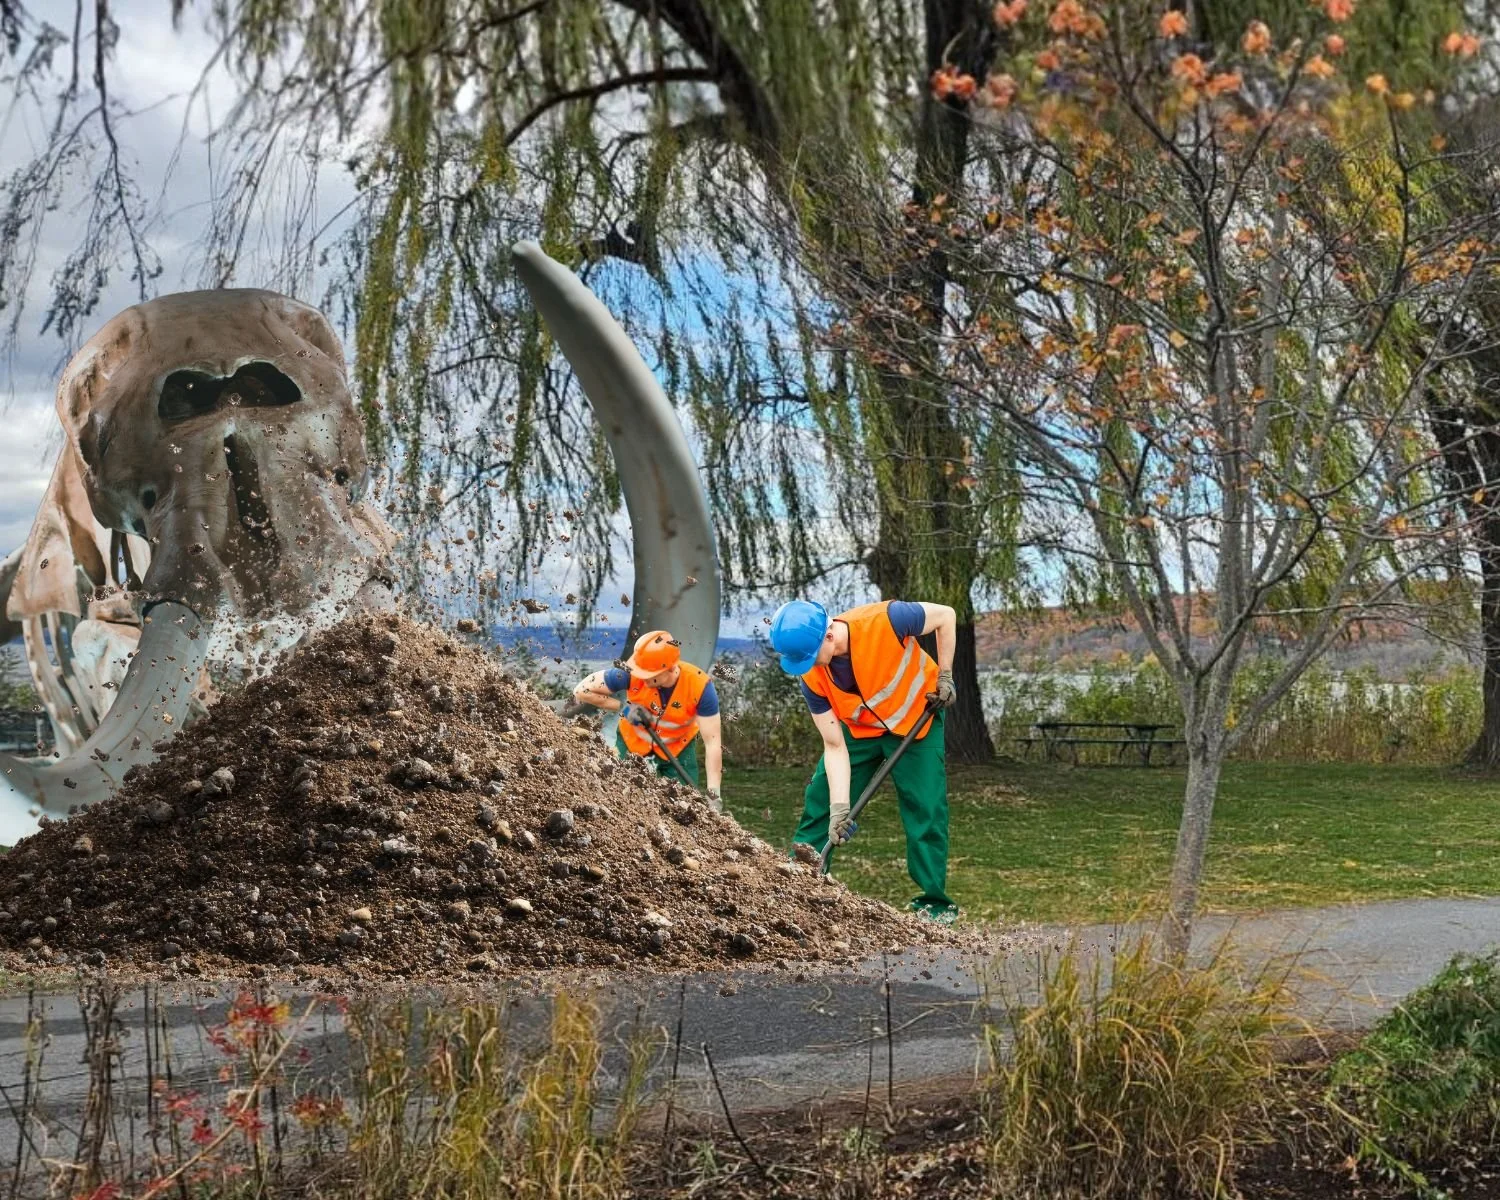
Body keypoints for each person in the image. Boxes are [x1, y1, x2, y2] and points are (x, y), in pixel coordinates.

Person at [769, 598, 959, 922]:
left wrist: (945, 675)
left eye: (809, 657)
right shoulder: (812, 678)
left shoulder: (888, 619)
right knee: (821, 798)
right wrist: (840, 809)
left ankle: (934, 906)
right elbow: (834, 746)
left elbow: (946, 615)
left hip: (918, 719)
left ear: (829, 635)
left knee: (925, 808)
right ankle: (799, 885)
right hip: (862, 731)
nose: (809, 666)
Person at [573, 629, 724, 809]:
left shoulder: (700, 686)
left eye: (649, 673)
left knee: (684, 807)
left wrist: (714, 794)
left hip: (678, 750)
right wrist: (623, 708)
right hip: (632, 744)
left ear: (671, 668)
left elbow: (713, 742)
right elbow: (582, 690)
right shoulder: (632, 673)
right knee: (624, 800)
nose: (642, 676)